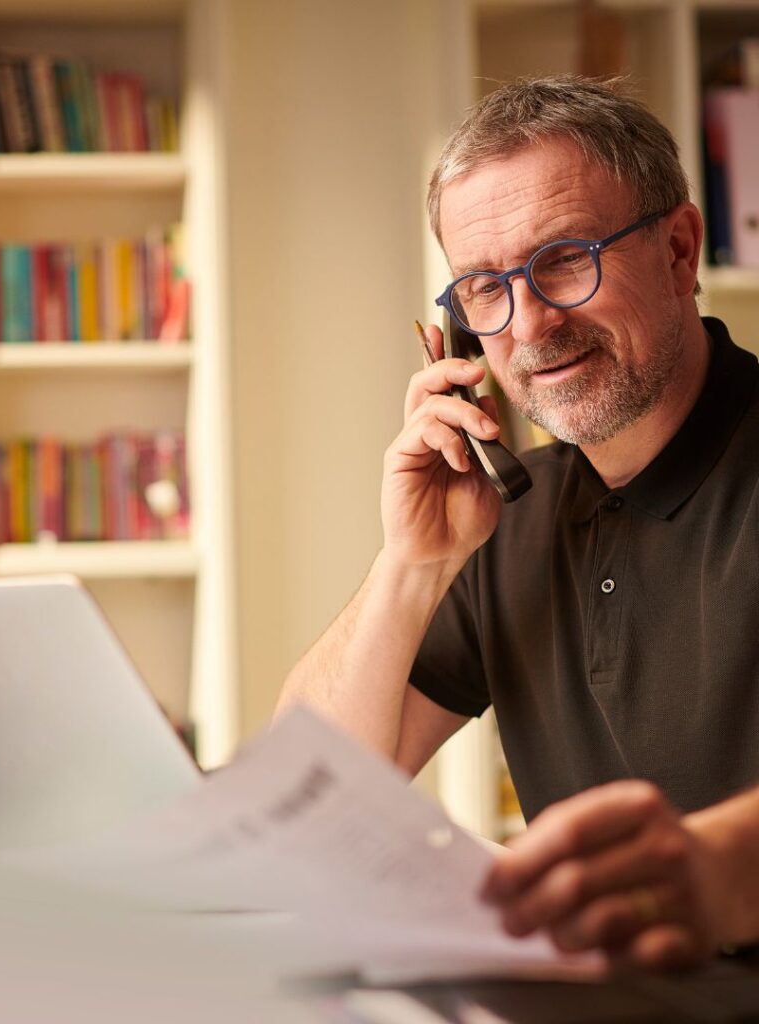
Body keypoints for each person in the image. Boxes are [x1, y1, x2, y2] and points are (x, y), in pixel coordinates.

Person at [276, 75, 759, 971]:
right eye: (484, 288)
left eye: (566, 259)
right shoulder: (505, 516)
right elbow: (300, 796)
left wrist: (709, 870)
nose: (529, 323)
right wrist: (412, 564)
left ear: (679, 251)